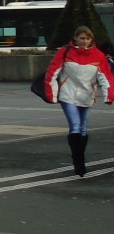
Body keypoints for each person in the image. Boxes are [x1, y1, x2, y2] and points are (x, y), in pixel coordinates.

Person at [43, 25, 114, 176]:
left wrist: (109, 96)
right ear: (75, 37)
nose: (84, 41)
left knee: (83, 128)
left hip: (86, 96)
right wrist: (52, 94)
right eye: (82, 38)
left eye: (88, 38)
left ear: (91, 40)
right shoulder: (65, 52)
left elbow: (106, 77)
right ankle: (79, 161)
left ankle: (79, 157)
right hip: (67, 94)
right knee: (75, 125)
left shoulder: (98, 56)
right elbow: (52, 72)